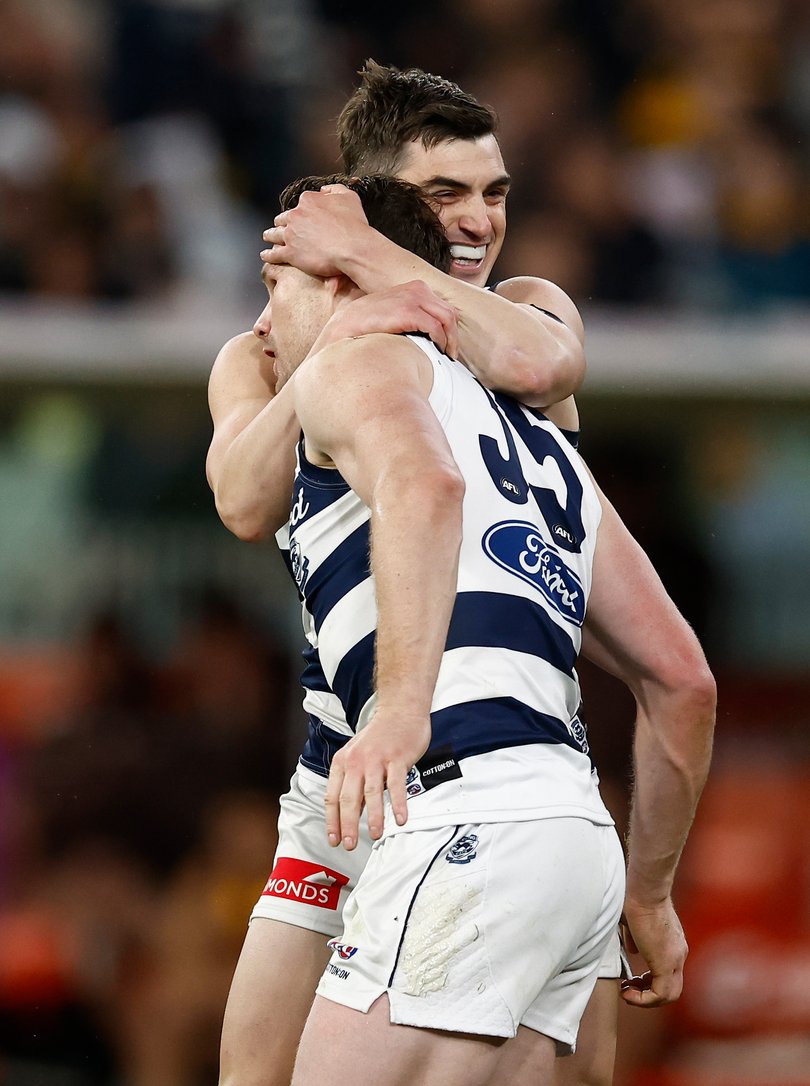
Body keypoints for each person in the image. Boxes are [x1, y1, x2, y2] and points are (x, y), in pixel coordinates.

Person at [207, 64, 714, 1086]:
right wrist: (338, 332)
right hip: (347, 776)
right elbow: (244, 500)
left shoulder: (520, 314)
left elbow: (541, 368)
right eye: (444, 198)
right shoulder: (280, 350)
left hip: (461, 760)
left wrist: (363, 269)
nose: (476, 224)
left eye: (496, 193)